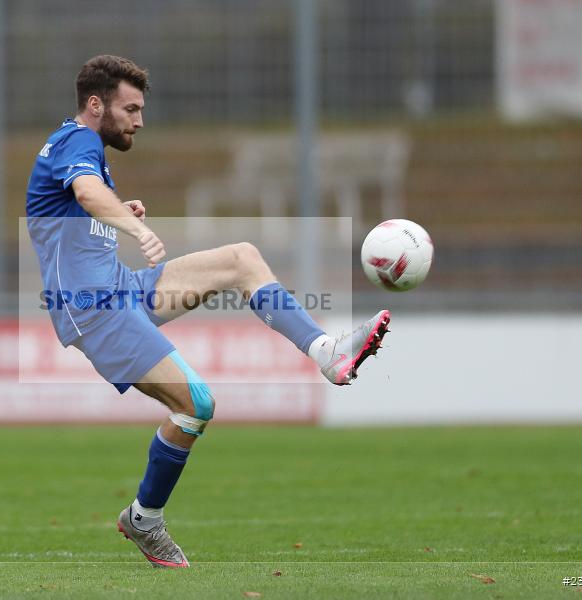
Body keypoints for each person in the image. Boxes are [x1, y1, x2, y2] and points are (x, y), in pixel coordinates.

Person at [25, 55, 390, 568]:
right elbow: (85, 193)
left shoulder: (77, 145)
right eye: (130, 109)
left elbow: (77, 207)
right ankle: (144, 518)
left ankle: (326, 351)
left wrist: (117, 211)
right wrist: (136, 229)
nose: (139, 121)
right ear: (95, 104)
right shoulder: (77, 142)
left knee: (241, 259)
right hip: (95, 310)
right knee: (196, 403)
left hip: (121, 289)